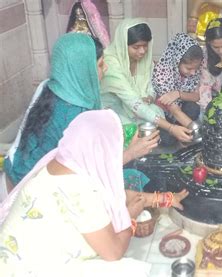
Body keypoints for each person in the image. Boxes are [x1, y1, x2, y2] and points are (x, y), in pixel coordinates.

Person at [0, 110, 187, 275]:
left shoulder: (65, 161)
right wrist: (130, 216)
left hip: (14, 255)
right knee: (130, 270)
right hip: (29, 268)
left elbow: (116, 195)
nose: (118, 153)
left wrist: (165, 199)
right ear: (100, 150)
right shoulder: (79, 190)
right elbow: (113, 252)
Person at [4, 33, 157, 191]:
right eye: (100, 64)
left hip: (15, 170)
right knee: (131, 182)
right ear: (84, 68)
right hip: (35, 191)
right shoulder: (76, 116)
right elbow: (87, 171)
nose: (106, 68)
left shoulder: (48, 86)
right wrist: (132, 152)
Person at [101, 19, 190, 144]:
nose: (142, 51)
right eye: (136, 47)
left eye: (145, 45)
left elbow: (151, 85)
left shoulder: (144, 59)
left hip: (137, 107)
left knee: (155, 111)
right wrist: (171, 128)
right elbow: (132, 102)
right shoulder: (110, 64)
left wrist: (149, 97)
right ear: (122, 44)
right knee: (127, 128)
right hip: (114, 110)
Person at [152, 33, 203, 146]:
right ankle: (182, 133)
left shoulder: (194, 70)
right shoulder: (162, 73)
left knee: (193, 107)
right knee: (168, 140)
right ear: (177, 60)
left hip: (180, 112)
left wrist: (178, 94)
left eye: (195, 68)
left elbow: (197, 95)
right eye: (189, 68)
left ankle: (183, 134)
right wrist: (196, 130)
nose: (193, 73)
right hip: (163, 115)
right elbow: (174, 111)